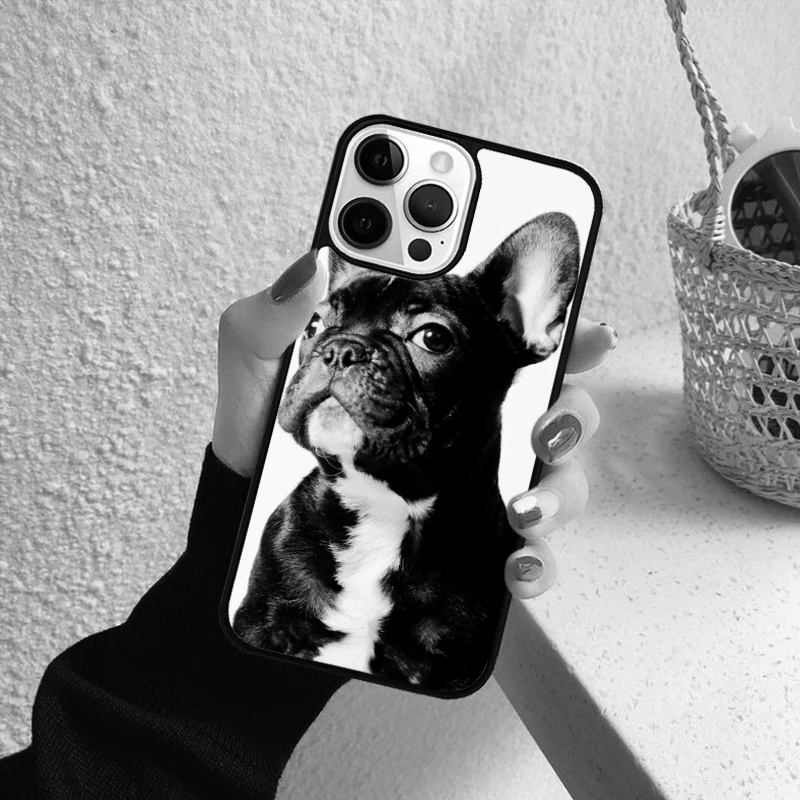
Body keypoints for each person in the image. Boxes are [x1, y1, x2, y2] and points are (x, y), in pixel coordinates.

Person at [0, 252, 617, 799]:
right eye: (321, 326)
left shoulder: (478, 568)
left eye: (429, 336)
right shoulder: (293, 538)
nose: (341, 352)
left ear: (522, 328)